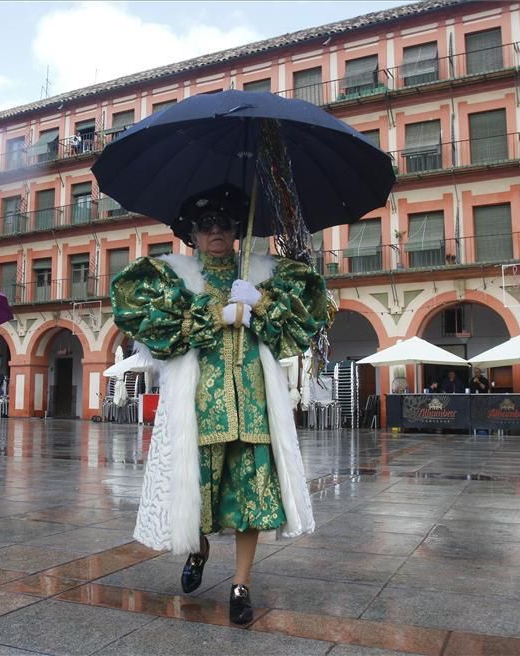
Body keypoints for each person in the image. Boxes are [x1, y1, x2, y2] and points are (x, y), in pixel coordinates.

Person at [111, 184, 327, 625]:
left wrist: (259, 301)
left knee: (252, 499)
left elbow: (308, 313)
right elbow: (152, 326)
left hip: (253, 409)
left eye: (224, 224)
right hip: (199, 410)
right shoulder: (176, 278)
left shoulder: (263, 275)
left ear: (236, 231)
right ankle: (199, 548)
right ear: (192, 233)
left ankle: (241, 584)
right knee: (197, 493)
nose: (216, 231)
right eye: (206, 225)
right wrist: (214, 314)